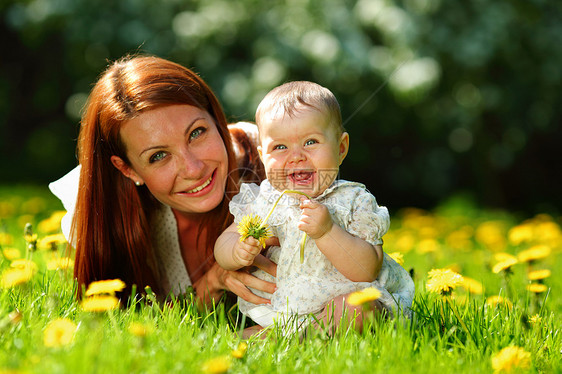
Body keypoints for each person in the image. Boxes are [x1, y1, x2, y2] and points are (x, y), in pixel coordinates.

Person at [49, 55, 277, 307]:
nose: (193, 169)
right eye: (158, 156)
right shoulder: (106, 214)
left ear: (215, 118)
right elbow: (132, 322)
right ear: (127, 169)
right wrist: (212, 283)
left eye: (196, 133)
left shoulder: (273, 156)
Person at [214, 81, 415, 333]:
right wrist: (235, 251)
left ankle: (288, 339)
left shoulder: (353, 200)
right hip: (287, 302)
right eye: (280, 147)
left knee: (359, 309)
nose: (296, 156)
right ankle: (288, 334)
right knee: (279, 323)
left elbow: (366, 269)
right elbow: (225, 242)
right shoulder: (265, 199)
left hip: (342, 299)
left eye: (310, 142)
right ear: (263, 156)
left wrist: (327, 231)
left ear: (341, 148)